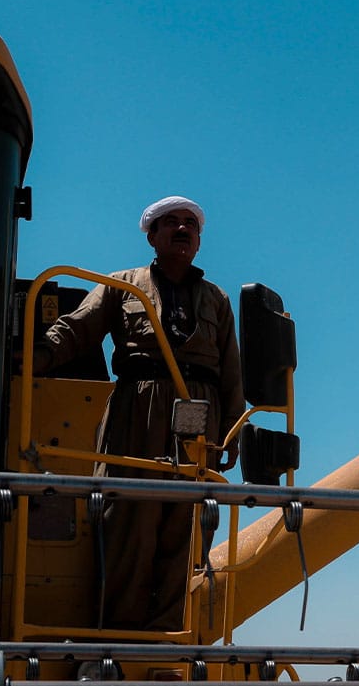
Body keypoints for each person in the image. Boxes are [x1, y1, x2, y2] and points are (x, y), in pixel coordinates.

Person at [40, 196, 246, 630]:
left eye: (190, 224)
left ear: (199, 239)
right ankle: (114, 648)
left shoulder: (217, 300)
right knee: (127, 528)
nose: (182, 230)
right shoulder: (122, 285)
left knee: (187, 533)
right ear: (151, 236)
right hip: (136, 414)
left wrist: (231, 433)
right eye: (170, 223)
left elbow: (231, 373)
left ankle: (165, 647)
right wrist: (37, 354)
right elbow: (76, 328)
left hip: (198, 426)